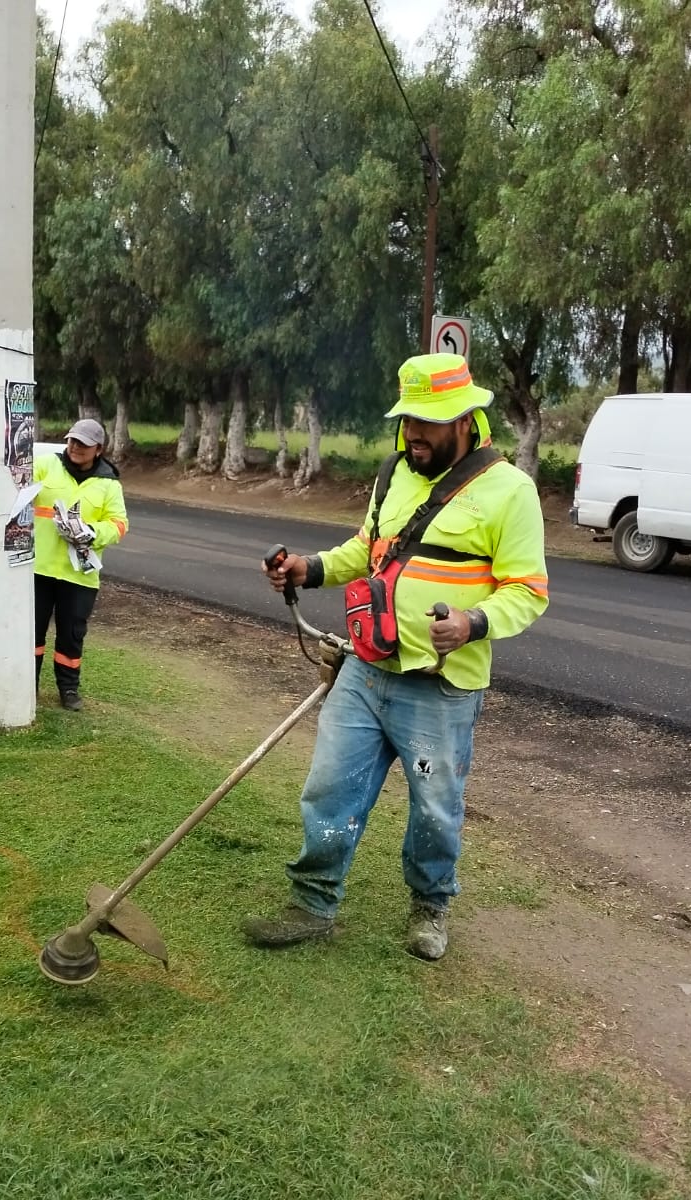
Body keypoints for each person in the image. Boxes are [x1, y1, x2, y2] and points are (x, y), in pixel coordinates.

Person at [243, 353, 549, 961]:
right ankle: (312, 901)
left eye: (428, 422)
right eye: (408, 419)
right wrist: (311, 568)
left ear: (465, 418)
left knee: (436, 807)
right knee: (330, 785)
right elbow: (371, 550)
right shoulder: (393, 473)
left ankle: (430, 907)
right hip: (366, 666)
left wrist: (473, 623)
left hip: (441, 686)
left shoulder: (510, 491)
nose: (414, 433)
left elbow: (528, 591)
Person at [32, 418, 129, 711]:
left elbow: (119, 524)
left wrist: (93, 532)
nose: (75, 447)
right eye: (72, 441)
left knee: (72, 634)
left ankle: (69, 689)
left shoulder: (109, 483)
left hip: (80, 575)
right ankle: (27, 685)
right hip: (40, 568)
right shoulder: (48, 464)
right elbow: (19, 485)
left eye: (84, 444)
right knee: (32, 632)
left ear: (98, 449)